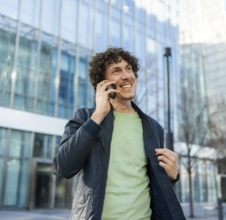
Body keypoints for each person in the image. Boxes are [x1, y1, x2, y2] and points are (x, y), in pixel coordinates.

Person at [53, 47, 185, 220]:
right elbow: (63, 167)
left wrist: (174, 175)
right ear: (103, 84)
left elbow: (157, 187)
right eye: (116, 70)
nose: (126, 75)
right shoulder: (85, 118)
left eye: (129, 69)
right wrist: (98, 115)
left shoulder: (154, 128)